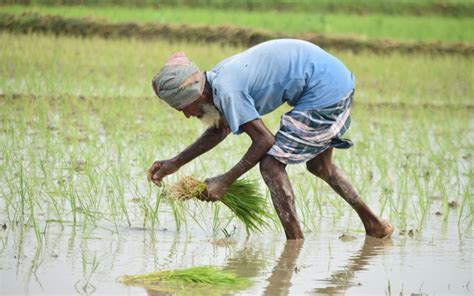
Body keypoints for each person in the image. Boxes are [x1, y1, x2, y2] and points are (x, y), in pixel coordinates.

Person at [148, 39, 394, 240]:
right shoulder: (216, 82)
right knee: (321, 166)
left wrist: (224, 181)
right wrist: (175, 162)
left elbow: (264, 140)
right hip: (331, 79)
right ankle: (374, 224)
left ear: (198, 95)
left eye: (185, 108)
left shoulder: (228, 90)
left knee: (271, 165)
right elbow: (220, 129)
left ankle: (295, 243)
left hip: (324, 88)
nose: (187, 115)